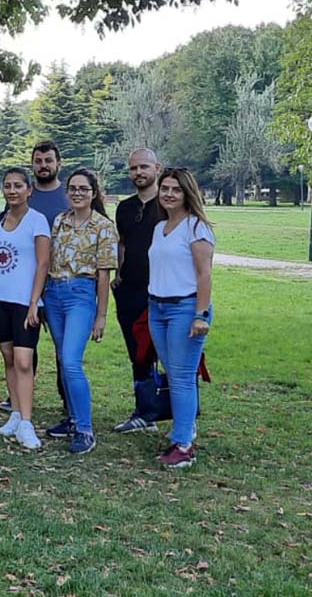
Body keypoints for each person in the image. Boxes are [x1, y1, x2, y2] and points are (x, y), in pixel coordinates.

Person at [42, 169, 118, 455]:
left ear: (93, 193)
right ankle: (73, 419)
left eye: (83, 189)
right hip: (54, 293)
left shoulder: (103, 226)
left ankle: (85, 429)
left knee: (72, 361)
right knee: (63, 360)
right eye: (73, 188)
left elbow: (104, 275)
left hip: (81, 294)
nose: (77, 193)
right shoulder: (60, 221)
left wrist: (101, 315)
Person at [0, 168, 50, 450]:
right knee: (8, 357)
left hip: (24, 301)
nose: (12, 190)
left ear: (29, 190)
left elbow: (43, 264)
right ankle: (16, 414)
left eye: (18, 185)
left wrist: (34, 302)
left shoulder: (37, 220)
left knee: (23, 361)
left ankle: (27, 423)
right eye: (7, 186)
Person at [148, 168, 214, 469]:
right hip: (157, 308)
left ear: (187, 193)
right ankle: (184, 428)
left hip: (185, 309)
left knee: (182, 377)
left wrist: (200, 315)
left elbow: (204, 275)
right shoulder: (160, 227)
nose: (169, 194)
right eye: (165, 188)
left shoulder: (196, 227)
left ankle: (184, 446)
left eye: (176, 189)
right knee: (173, 375)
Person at [111, 148, 165, 433]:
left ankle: (181, 416)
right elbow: (122, 243)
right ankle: (144, 412)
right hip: (130, 289)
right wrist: (118, 274)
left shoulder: (168, 204)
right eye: (133, 168)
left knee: (168, 355)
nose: (138, 173)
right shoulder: (125, 208)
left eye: (144, 167)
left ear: (157, 167)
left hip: (163, 290)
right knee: (138, 353)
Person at [28, 140, 72, 431]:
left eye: (48, 160)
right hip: (28, 280)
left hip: (62, 281)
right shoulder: (25, 195)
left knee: (64, 348)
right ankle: (21, 395)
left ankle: (69, 401)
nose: (43, 166)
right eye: (38, 161)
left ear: (58, 163)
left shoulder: (70, 195)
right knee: (25, 343)